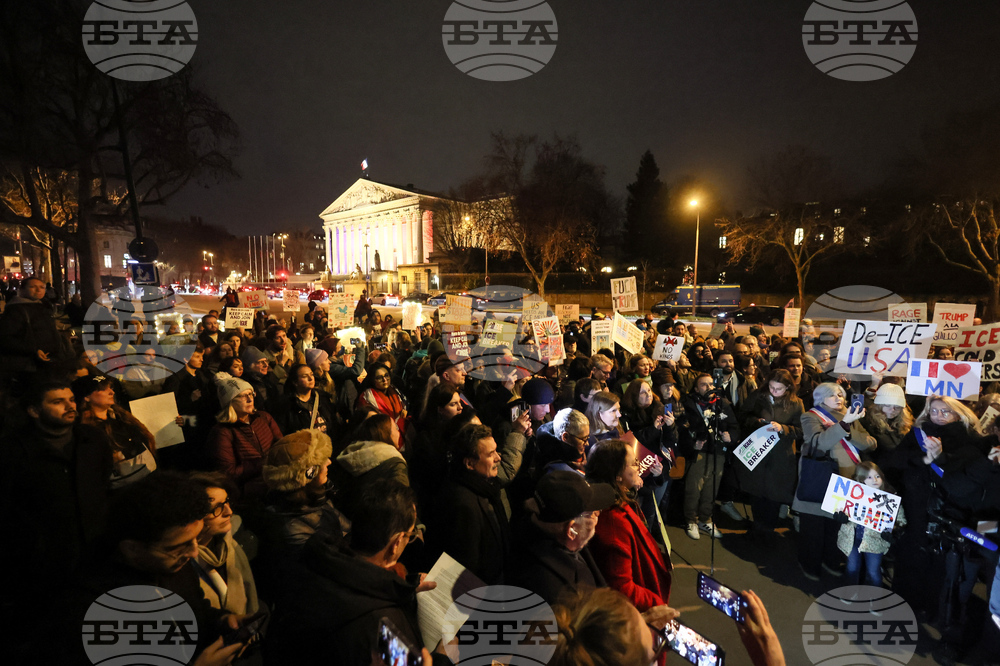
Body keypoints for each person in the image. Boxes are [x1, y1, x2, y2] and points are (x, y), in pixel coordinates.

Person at [62, 472, 250, 666]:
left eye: (196, 539)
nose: (194, 552)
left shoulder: (174, 566)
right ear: (132, 549)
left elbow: (196, 610)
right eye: (179, 546)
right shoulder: (97, 613)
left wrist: (223, 621)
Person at [264, 480, 434, 666]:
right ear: (396, 542)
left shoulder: (316, 565)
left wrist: (406, 587)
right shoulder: (383, 629)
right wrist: (443, 658)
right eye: (410, 535)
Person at [0, 380, 113, 657]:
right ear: (34, 411)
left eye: (72, 399)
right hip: (39, 565)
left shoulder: (93, 440)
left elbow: (103, 484)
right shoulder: (11, 451)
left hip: (92, 553)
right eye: (58, 401)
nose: (70, 406)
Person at [793, 382, 875, 581]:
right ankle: (809, 564)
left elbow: (870, 443)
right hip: (820, 479)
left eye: (840, 394)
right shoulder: (810, 416)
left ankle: (830, 561)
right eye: (833, 395)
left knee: (836, 529)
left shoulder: (851, 415)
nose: (839, 398)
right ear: (820, 398)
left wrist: (848, 429)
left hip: (846, 481)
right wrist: (843, 424)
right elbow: (819, 443)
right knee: (813, 529)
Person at [585, 438, 673, 611]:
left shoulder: (618, 499)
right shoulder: (613, 523)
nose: (639, 467)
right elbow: (622, 588)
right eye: (633, 464)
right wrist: (657, 604)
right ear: (617, 475)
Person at [510, 471, 615, 605]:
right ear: (572, 530)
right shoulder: (555, 593)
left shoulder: (546, 531)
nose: (598, 514)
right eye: (593, 513)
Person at [428, 423, 511, 584]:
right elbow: (466, 566)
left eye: (496, 450)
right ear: (469, 463)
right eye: (490, 454)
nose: (498, 458)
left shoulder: (487, 488)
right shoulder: (463, 505)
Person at [736, 369, 803, 536]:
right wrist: (756, 422)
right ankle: (757, 526)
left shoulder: (796, 403)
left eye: (778, 389)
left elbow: (802, 430)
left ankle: (768, 528)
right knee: (757, 492)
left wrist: (783, 428)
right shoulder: (758, 396)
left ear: (788, 387)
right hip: (758, 451)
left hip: (780, 455)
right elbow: (743, 416)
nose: (774, 391)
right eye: (772, 387)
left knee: (774, 494)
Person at [189, 472, 261, 616]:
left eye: (227, 502)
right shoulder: (186, 562)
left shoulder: (229, 546)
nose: (229, 512)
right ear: (194, 514)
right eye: (217, 508)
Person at [679, 373, 740, 540]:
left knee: (712, 487)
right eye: (704, 385)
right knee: (694, 487)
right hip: (699, 452)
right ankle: (691, 520)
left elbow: (734, 426)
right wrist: (692, 444)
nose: (709, 388)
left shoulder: (723, 403)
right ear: (697, 388)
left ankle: (705, 519)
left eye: (711, 384)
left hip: (717, 451)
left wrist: (731, 436)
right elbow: (681, 429)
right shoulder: (688, 403)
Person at [207, 372, 283, 503]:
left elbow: (281, 444)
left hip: (275, 484)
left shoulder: (264, 417)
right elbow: (228, 472)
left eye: (251, 394)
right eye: (243, 396)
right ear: (230, 402)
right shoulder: (223, 432)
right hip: (250, 495)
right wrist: (263, 463)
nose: (250, 399)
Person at [72, 374, 159, 488]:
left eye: (110, 387)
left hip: (149, 479)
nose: (111, 392)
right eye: (103, 389)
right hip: (123, 490)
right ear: (86, 397)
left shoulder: (122, 417)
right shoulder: (86, 430)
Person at [834, 462, 905, 588]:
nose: (875, 480)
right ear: (860, 479)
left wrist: (895, 530)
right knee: (851, 567)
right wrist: (842, 517)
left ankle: (874, 598)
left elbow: (900, 519)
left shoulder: (889, 498)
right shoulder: (852, 495)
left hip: (875, 542)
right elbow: (842, 509)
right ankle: (850, 592)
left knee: (873, 571)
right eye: (869, 477)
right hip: (853, 539)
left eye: (877, 476)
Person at [332, 415, 410, 520]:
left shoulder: (351, 453)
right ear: (386, 434)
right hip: (379, 525)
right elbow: (401, 504)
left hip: (346, 522)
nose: (398, 432)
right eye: (395, 428)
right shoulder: (394, 462)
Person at [0, 276, 71, 377]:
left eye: (42, 287)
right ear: (22, 290)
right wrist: (34, 350)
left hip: (51, 361)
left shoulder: (42, 306)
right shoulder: (16, 310)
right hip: (31, 365)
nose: (38, 290)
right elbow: (6, 338)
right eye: (33, 287)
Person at [279, 363, 337, 435]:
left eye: (311, 374)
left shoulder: (323, 399)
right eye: (305, 376)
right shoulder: (288, 406)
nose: (311, 378)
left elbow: (334, 424)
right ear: (295, 382)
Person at [357, 362, 408, 436]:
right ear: (372, 380)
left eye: (386, 375)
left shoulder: (395, 391)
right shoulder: (366, 398)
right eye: (379, 377)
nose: (384, 380)